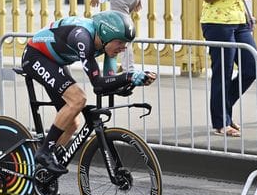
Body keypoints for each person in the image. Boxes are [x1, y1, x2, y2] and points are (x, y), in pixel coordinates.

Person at [21, 10, 156, 174]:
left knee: (72, 123)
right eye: (120, 42)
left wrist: (132, 83)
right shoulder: (83, 38)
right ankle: (44, 153)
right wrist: (129, 76)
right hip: (36, 55)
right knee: (78, 99)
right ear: (107, 35)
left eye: (126, 42)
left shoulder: (108, 45)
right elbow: (98, 84)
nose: (124, 47)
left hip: (55, 60)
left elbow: (109, 81)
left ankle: (40, 172)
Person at [198, 0, 257, 137]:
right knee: (222, 73)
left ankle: (224, 108)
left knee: (251, 68)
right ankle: (221, 122)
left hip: (240, 21)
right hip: (217, 24)